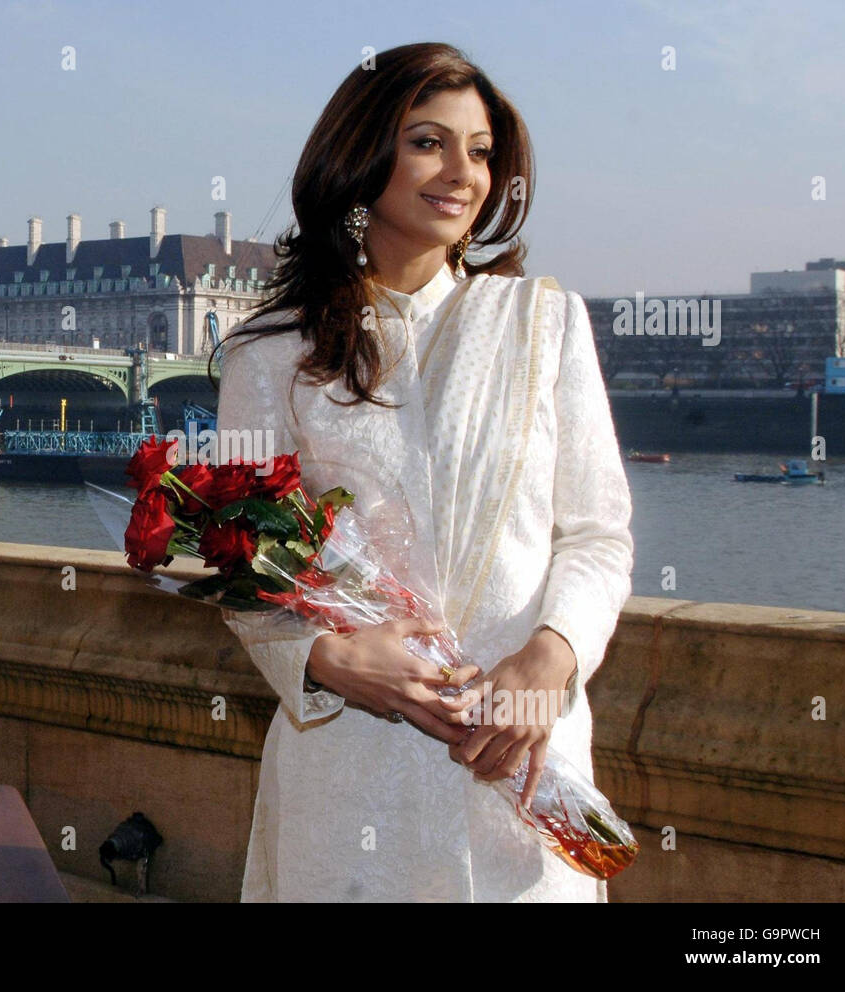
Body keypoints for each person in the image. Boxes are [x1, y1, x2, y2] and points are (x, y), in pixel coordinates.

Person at [214, 43, 634, 902]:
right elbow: (240, 560)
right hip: (350, 777)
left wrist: (551, 659)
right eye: (428, 142)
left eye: (481, 151)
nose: (463, 173)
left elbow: (597, 533)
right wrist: (326, 660)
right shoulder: (268, 354)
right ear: (361, 154)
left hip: (523, 762)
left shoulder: (543, 322)